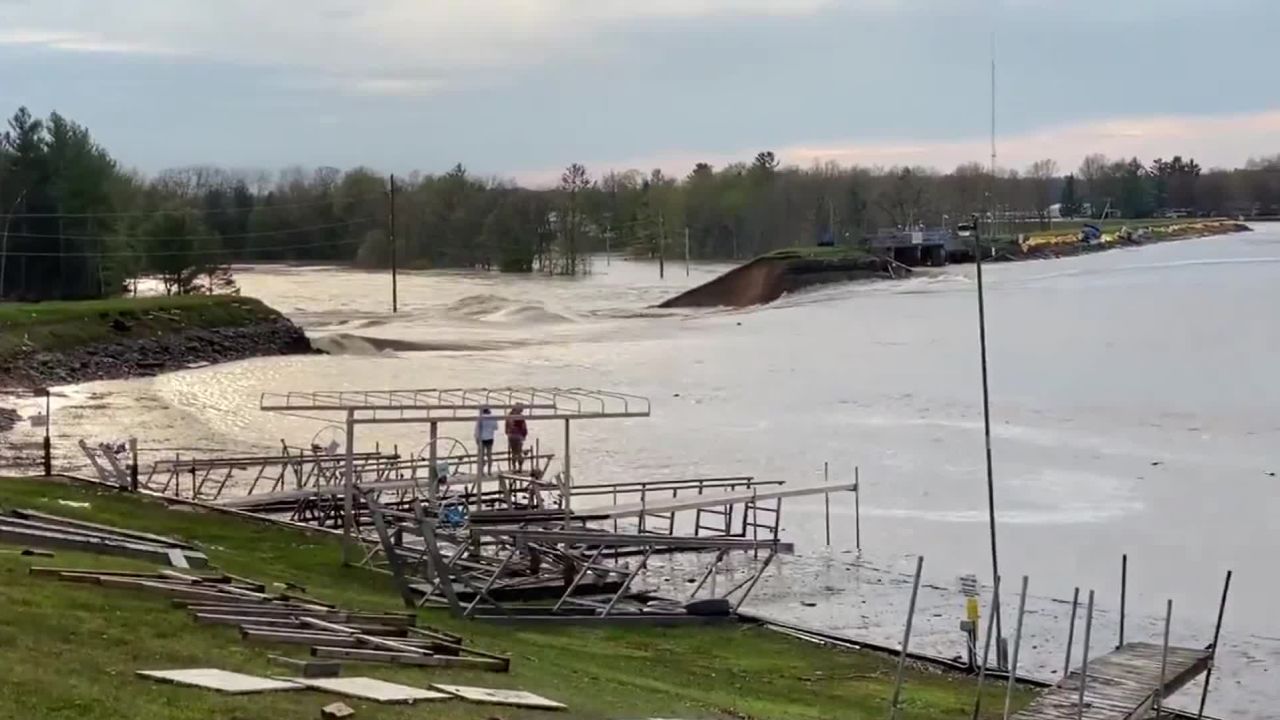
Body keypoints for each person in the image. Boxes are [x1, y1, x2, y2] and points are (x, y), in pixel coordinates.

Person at [474, 407, 498, 476]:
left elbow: (477, 429)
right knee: (489, 455)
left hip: (481, 438)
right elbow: (496, 427)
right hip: (490, 437)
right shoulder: (493, 417)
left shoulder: (480, 417)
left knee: (481, 455)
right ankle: (489, 471)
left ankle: (481, 472)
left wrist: (476, 437)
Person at [505, 404, 529, 472]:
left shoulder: (509, 416)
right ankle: (520, 467)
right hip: (519, 436)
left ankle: (514, 467)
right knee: (519, 452)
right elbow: (524, 428)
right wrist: (524, 435)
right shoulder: (521, 417)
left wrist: (508, 433)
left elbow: (506, 429)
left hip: (511, 436)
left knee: (513, 452)